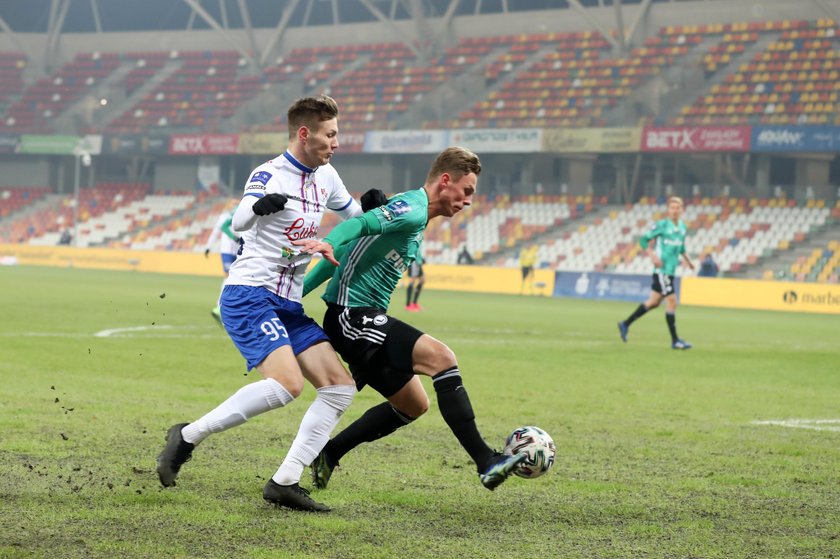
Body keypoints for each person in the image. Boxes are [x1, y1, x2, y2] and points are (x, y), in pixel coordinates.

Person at [157, 95, 378, 512]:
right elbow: (239, 219)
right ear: (304, 133)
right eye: (330, 135)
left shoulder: (327, 176)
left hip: (289, 303)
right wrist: (259, 207)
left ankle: (285, 482)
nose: (336, 143)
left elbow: (353, 214)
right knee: (287, 385)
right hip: (250, 294)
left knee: (339, 388)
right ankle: (186, 437)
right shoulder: (268, 173)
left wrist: (374, 208)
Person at [295, 146, 526, 493]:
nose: (467, 201)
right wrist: (324, 244)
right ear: (445, 181)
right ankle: (486, 461)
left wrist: (296, 295)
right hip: (351, 317)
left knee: (412, 405)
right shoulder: (412, 211)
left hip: (363, 320)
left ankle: (330, 452)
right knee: (442, 358)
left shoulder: (412, 215)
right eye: (466, 191)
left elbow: (343, 257)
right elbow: (354, 228)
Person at [618, 196, 695, 350]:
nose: (674, 211)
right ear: (668, 210)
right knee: (672, 301)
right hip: (662, 271)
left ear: (682, 210)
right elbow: (643, 240)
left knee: (653, 303)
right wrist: (652, 255)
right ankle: (675, 341)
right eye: (672, 208)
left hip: (670, 271)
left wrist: (688, 260)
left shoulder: (682, 227)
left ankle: (625, 324)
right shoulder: (662, 225)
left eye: (677, 208)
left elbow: (681, 247)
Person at [204, 201, 240, 323]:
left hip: (238, 251)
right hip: (227, 251)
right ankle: (220, 306)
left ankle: (228, 307)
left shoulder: (240, 214)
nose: (236, 204)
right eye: (233, 203)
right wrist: (208, 247)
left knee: (235, 278)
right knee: (228, 276)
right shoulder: (224, 217)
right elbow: (216, 232)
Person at [405, 241, 425, 311]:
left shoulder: (419, 234)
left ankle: (414, 303)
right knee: (412, 281)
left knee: (422, 280)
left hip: (418, 261)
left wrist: (421, 258)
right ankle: (408, 305)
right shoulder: (413, 233)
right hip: (413, 261)